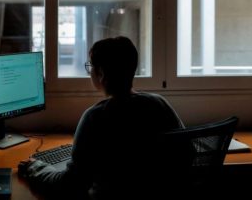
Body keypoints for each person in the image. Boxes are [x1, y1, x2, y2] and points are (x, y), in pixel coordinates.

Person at [18, 36, 184, 200]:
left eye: (91, 66)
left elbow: (68, 185)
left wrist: (35, 168)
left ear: (101, 73)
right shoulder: (160, 104)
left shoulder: (95, 117)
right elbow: (187, 153)